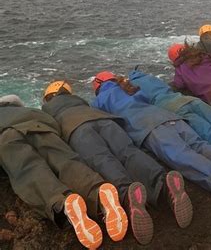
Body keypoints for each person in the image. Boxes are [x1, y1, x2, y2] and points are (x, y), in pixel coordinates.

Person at [91, 72, 211, 217]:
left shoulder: (98, 101)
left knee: (182, 156)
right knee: (199, 145)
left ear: (98, 86)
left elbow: (106, 124)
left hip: (148, 128)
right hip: (169, 118)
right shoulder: (130, 88)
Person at [41, 81, 194, 242]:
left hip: (77, 130)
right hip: (105, 121)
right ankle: (164, 184)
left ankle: (127, 194)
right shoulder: (79, 100)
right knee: (129, 152)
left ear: (48, 98)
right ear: (68, 92)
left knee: (103, 160)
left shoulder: (48, 110)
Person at [0, 94, 127, 249]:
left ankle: (63, 202)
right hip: (40, 127)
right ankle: (98, 191)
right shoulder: (30, 111)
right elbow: (54, 124)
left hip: (6, 137)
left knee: (30, 171)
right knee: (66, 162)